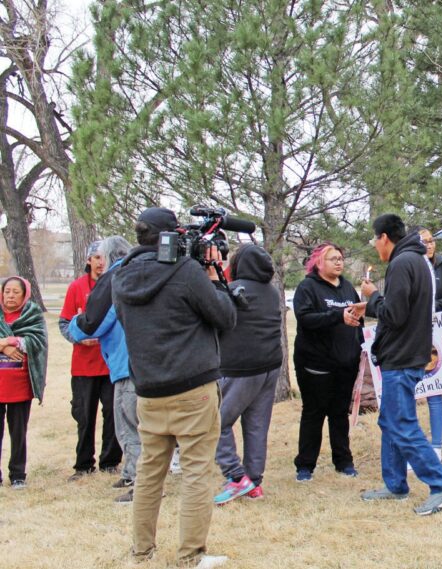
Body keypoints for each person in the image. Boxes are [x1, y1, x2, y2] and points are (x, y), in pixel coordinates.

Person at [112, 207, 236, 566]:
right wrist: (213, 274)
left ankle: (141, 552)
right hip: (192, 388)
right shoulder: (185, 272)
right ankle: (190, 555)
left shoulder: (122, 279)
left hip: (148, 390)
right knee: (196, 471)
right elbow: (225, 316)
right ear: (173, 235)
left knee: (150, 473)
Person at [355, 213, 442, 516]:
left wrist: (374, 296)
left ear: (384, 238)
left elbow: (395, 314)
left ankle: (441, 485)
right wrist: (373, 303)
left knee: (401, 423)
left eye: (375, 240)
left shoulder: (402, 263)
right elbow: (406, 307)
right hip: (408, 353)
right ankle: (395, 484)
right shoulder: (418, 260)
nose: (375, 246)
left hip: (401, 356)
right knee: (389, 420)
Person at [68, 236, 137, 503]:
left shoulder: (114, 278)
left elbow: (92, 324)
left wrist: (76, 325)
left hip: (125, 363)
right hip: (146, 362)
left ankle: (142, 485)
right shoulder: (137, 272)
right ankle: (132, 472)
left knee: (128, 425)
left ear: (107, 258)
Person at [213, 244, 282, 504]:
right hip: (270, 365)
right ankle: (254, 482)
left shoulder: (233, 290)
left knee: (215, 424)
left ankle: (236, 476)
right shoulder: (272, 292)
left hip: (239, 367)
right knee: (256, 427)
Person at [291, 243, 362, 482]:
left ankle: (343, 461)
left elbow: (355, 319)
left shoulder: (347, 288)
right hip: (315, 364)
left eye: (340, 258)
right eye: (333, 259)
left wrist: (359, 344)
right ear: (319, 263)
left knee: (339, 413)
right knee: (314, 412)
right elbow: (305, 318)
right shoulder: (308, 287)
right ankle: (305, 465)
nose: (339, 262)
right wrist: (337, 316)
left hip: (345, 363)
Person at [59, 240, 122, 481]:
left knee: (112, 415)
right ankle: (83, 464)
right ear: (88, 261)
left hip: (110, 363)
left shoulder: (116, 285)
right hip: (84, 366)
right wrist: (77, 338)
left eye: (102, 257)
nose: (100, 262)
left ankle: (110, 462)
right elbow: (64, 323)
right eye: (95, 258)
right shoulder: (76, 287)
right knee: (84, 417)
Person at [415, 226, 442, 461]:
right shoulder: (410, 264)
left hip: (438, 334)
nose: (430, 245)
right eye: (424, 241)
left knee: (435, 389)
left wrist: (434, 307)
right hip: (413, 335)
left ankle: (437, 445)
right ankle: (414, 443)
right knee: (411, 391)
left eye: (432, 241)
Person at [0, 276, 47, 489]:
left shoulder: (32, 315)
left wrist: (11, 341)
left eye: (15, 292)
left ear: (24, 294)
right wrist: (4, 346)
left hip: (20, 384)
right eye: (7, 291)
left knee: (18, 431)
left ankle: (18, 474)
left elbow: (38, 341)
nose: (10, 295)